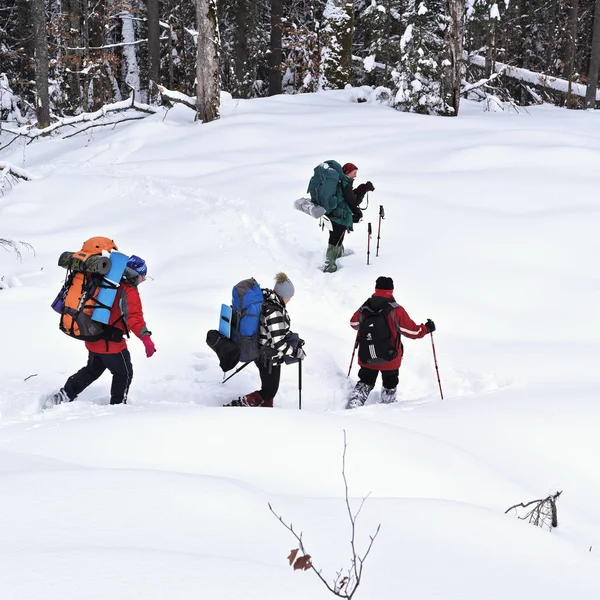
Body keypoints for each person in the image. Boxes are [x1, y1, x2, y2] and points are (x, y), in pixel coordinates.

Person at [48, 255, 156, 406]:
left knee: (92, 370)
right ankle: (117, 406)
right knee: (124, 373)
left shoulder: (104, 282)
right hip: (112, 345)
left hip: (92, 337)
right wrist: (146, 339)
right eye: (143, 277)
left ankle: (65, 394)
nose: (142, 280)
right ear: (136, 275)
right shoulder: (129, 292)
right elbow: (135, 319)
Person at [347, 276, 434, 409]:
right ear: (391, 290)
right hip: (390, 358)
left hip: (367, 356)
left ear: (376, 288)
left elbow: (353, 323)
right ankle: (387, 410)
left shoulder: (366, 306)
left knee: (365, 380)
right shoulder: (396, 310)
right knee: (390, 383)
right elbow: (413, 332)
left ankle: (355, 402)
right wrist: (427, 328)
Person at [229, 272, 305, 408]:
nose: (289, 300)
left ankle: (267, 412)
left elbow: (274, 330)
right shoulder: (274, 311)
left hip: (262, 352)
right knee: (269, 391)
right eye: (289, 297)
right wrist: (294, 352)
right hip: (269, 358)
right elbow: (278, 342)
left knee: (269, 388)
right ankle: (241, 404)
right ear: (282, 295)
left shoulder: (266, 299)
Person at [324, 162, 375, 273]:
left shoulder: (341, 182)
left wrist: (362, 189)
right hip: (339, 217)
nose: (355, 175)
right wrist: (357, 212)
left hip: (333, 215)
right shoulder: (345, 183)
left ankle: (336, 258)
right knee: (335, 240)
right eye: (354, 173)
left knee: (335, 238)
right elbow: (353, 201)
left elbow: (348, 195)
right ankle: (330, 265)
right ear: (347, 172)